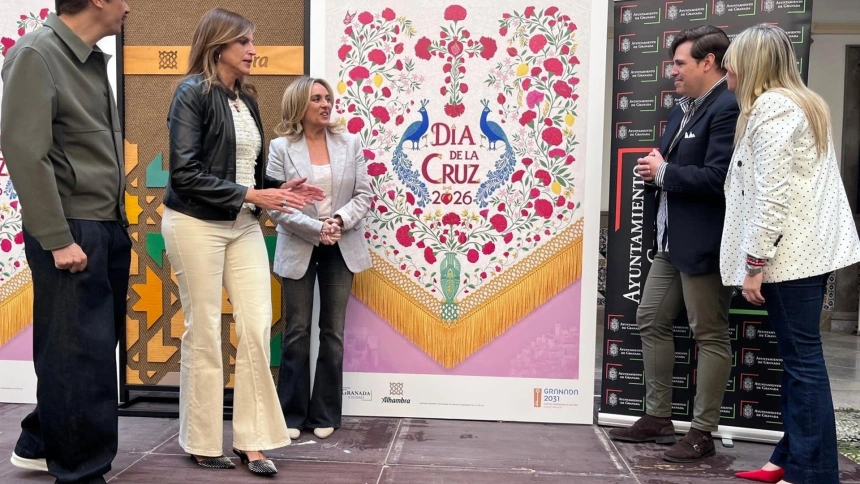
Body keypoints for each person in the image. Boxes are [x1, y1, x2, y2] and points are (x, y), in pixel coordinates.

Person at [162, 8, 323, 476]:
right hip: (194, 224)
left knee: (255, 327)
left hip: (243, 224)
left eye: (252, 41)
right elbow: (185, 173)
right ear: (219, 46)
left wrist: (279, 189)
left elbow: (246, 172)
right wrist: (253, 194)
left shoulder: (246, 99)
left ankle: (252, 441)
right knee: (205, 331)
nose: (253, 50)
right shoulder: (191, 93)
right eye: (244, 42)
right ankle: (202, 440)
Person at [721, 24, 860, 484]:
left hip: (788, 259)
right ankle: (788, 458)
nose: (726, 72)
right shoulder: (803, 103)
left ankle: (812, 473)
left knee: (803, 364)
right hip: (804, 253)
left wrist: (755, 264)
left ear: (752, 64)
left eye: (732, 63)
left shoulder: (773, 107)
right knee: (800, 361)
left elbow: (771, 195)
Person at [1, 0, 131, 482]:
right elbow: (24, 151)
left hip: (105, 224)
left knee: (85, 353)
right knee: (78, 357)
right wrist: (57, 239)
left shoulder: (89, 58)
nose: (128, 6)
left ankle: (40, 441)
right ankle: (80, 473)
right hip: (72, 228)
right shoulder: (37, 53)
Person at [608, 25, 739, 463]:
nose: (673, 71)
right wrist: (657, 170)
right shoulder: (683, 108)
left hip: (704, 243)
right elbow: (671, 167)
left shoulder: (727, 106)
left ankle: (702, 432)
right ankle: (658, 417)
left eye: (680, 63)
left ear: (709, 62)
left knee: (709, 333)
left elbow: (720, 179)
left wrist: (663, 172)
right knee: (650, 318)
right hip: (670, 242)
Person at [268, 77, 372, 441]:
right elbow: (277, 205)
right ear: (299, 105)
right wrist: (317, 229)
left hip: (341, 243)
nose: (326, 104)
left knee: (333, 331)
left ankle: (326, 412)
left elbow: (363, 194)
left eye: (328, 98)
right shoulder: (280, 148)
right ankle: (291, 414)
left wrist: (338, 222)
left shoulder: (350, 143)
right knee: (296, 330)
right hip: (299, 242)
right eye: (316, 99)